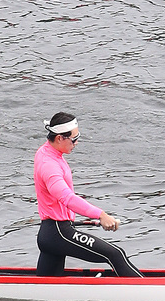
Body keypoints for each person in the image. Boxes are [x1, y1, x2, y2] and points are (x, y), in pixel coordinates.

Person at [34, 113, 142, 277]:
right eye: (74, 138)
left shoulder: (46, 152)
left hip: (51, 232)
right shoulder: (49, 166)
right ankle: (154, 293)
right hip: (58, 233)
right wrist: (101, 215)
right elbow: (67, 198)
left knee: (44, 288)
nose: (77, 142)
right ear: (59, 138)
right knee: (115, 254)